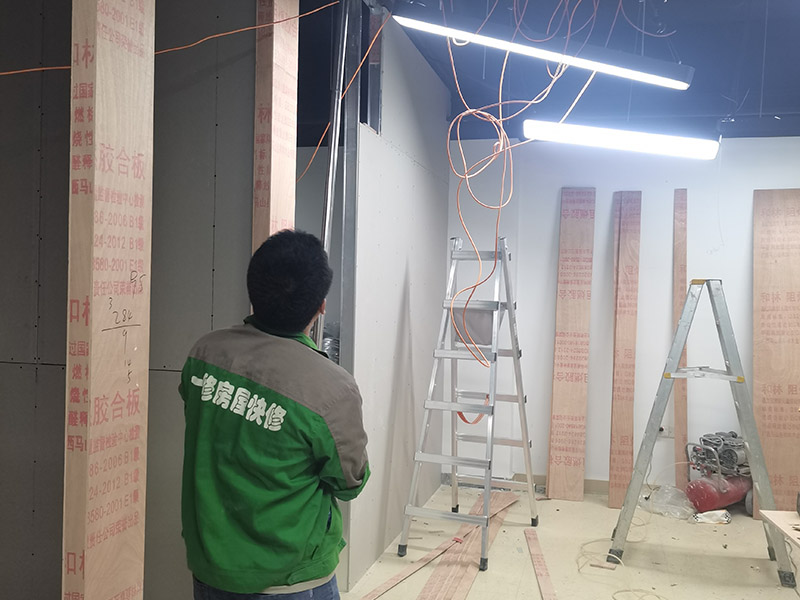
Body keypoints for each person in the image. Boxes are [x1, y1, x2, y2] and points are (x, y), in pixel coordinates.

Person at [180, 229, 370, 599]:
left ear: (252, 291)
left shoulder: (205, 354)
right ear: (321, 306)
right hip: (290, 578)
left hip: (211, 569)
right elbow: (350, 483)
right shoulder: (332, 388)